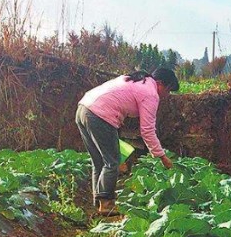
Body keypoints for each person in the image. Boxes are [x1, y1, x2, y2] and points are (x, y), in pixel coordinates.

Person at [75, 67, 180, 216]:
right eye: (168, 90)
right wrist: (162, 157)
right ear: (160, 83)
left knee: (99, 161)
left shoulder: (134, 80)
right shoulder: (150, 93)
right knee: (112, 161)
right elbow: (147, 130)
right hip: (99, 115)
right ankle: (106, 204)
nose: (167, 95)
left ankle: (98, 202)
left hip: (83, 109)